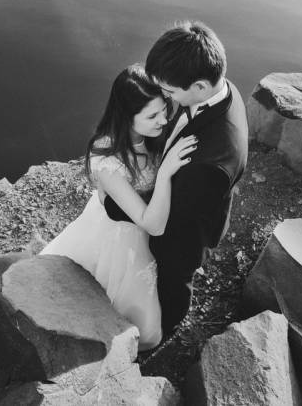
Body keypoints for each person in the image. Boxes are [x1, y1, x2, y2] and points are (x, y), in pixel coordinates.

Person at [105, 21, 249, 339]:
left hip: (184, 233)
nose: (166, 98)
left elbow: (171, 216)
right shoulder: (221, 88)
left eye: (170, 92)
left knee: (174, 278)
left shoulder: (210, 162)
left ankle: (166, 330)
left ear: (199, 86)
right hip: (197, 196)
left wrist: (114, 202)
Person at [41, 64, 197, 350]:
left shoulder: (153, 134)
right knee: (138, 321)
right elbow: (152, 224)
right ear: (127, 116)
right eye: (152, 116)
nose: (163, 120)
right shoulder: (108, 160)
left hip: (146, 221)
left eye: (164, 110)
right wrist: (165, 173)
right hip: (122, 233)